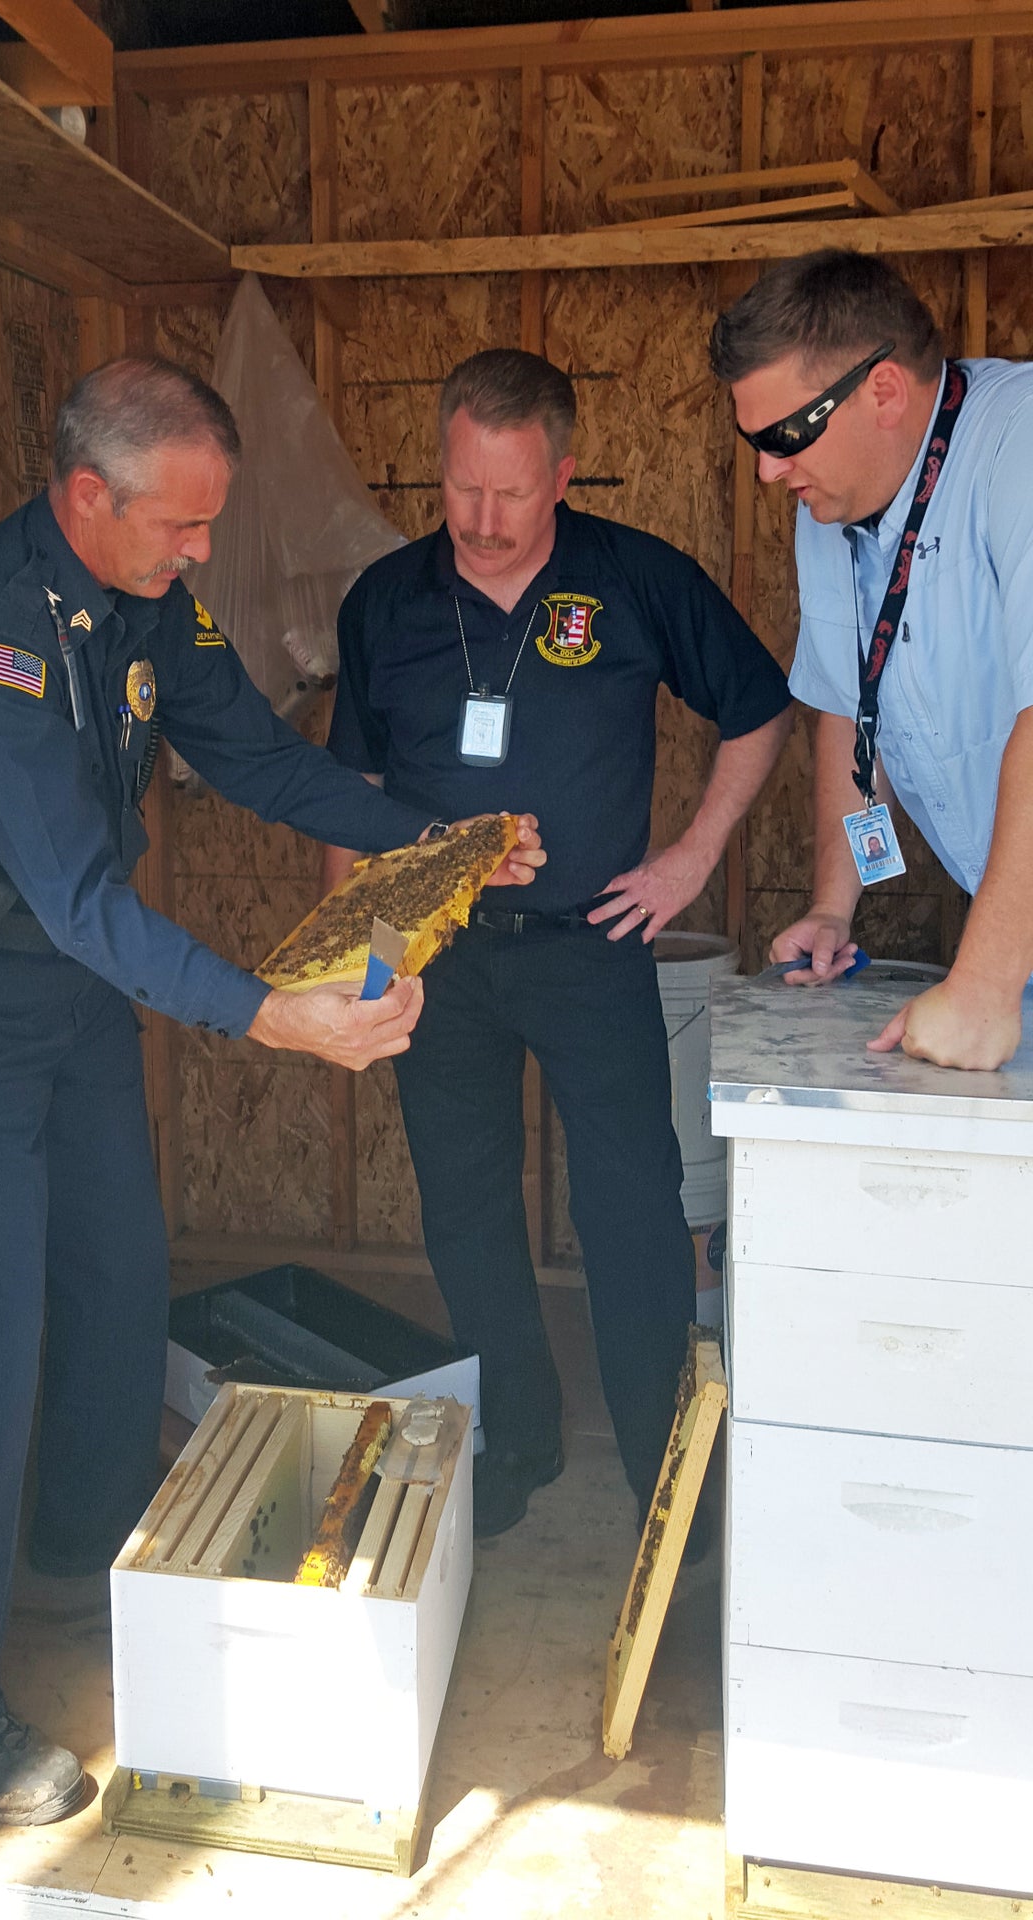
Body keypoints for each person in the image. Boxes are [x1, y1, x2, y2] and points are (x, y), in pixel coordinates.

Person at [0, 356, 541, 1826]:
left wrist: (433, 839)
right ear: (86, 497)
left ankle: (94, 1558)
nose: (202, 557)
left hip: (77, 1001)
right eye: (182, 530)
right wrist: (269, 1019)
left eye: (208, 528)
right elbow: (73, 896)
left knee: (120, 1280)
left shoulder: (142, 602)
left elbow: (249, 752)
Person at [322, 349, 792, 1539]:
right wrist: (360, 969)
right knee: (464, 1204)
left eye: (511, 494)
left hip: (589, 947)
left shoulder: (634, 580)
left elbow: (755, 707)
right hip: (434, 949)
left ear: (563, 475)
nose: (481, 522)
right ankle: (514, 1439)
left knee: (629, 1208)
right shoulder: (384, 599)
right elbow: (352, 788)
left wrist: (689, 859)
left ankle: (663, 1488)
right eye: (461, 489)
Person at [711, 250, 1033, 1071]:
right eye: (754, 441)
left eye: (784, 435)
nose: (767, 469)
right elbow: (849, 707)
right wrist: (831, 904)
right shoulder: (830, 504)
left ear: (883, 390)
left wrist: (986, 983)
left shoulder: (1018, 444)